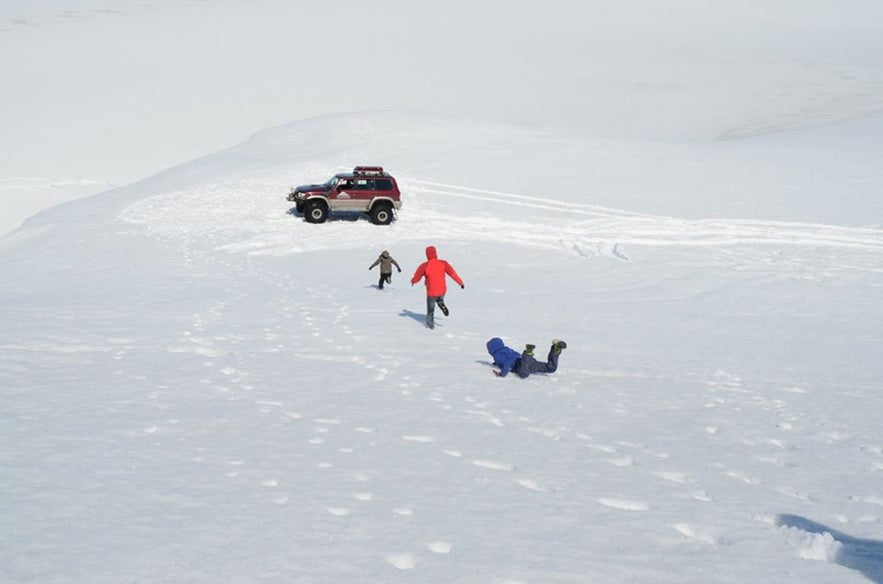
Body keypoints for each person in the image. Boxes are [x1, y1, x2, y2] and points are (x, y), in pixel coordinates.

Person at [410, 245, 464, 329]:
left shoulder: (424, 266)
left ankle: (430, 327)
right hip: (442, 290)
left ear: (427, 255)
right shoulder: (443, 263)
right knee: (440, 295)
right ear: (436, 253)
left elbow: (417, 277)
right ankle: (440, 302)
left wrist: (413, 281)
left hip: (431, 292)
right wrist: (460, 282)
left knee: (430, 311)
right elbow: (452, 274)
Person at [486, 337, 567, 378]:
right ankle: (556, 349)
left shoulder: (497, 355)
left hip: (521, 365)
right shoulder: (506, 349)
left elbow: (508, 362)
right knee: (551, 368)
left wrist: (502, 374)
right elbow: (506, 359)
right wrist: (496, 363)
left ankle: (528, 353)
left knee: (523, 374)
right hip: (529, 361)